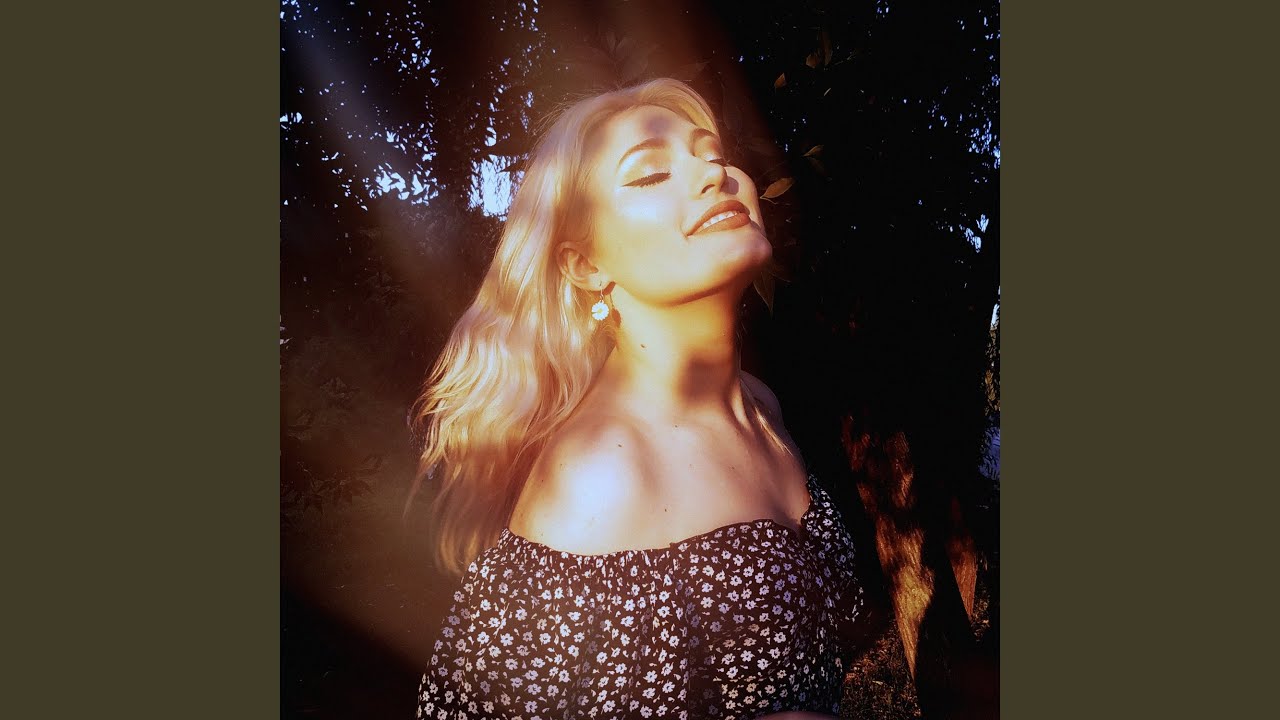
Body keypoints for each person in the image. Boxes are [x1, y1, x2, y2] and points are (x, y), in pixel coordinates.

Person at [409, 78, 876, 720]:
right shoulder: (601, 471)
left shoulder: (761, 406)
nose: (715, 175)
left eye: (714, 154)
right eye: (651, 174)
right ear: (584, 266)